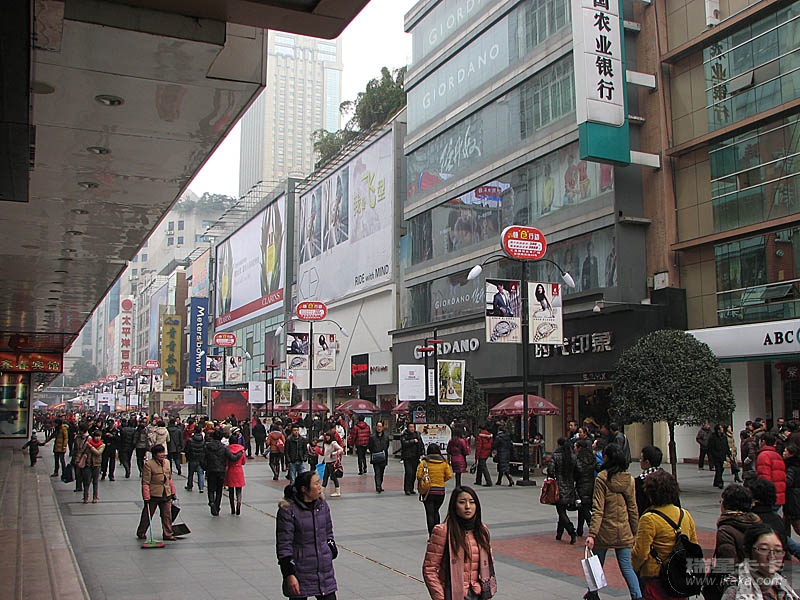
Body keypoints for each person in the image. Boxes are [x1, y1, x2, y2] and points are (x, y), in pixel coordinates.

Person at [585, 443, 642, 600]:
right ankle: (637, 596)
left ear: (607, 458)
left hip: (604, 530)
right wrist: (635, 531)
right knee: (627, 567)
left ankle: (593, 593)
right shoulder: (629, 479)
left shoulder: (602, 478)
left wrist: (592, 534)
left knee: (597, 564)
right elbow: (633, 508)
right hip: (624, 529)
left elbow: (598, 508)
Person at [632, 470, 699, 600]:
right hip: (679, 576)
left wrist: (637, 568)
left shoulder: (649, 518)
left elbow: (640, 553)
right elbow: (693, 546)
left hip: (656, 575)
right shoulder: (685, 515)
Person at [422, 487, 495, 600]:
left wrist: (487, 591)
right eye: (462, 502)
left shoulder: (482, 530)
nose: (468, 506)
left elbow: (489, 563)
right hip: (452, 594)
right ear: (454, 506)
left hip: (478, 593)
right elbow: (429, 569)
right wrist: (440, 597)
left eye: (472, 502)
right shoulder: (443, 531)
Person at [276, 470, 338, 600]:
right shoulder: (288, 510)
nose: (320, 486)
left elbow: (328, 531)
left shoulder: (322, 506)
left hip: (324, 569)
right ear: (304, 489)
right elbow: (284, 545)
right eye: (316, 483)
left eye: (319, 482)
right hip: (300, 570)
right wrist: (289, 574)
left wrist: (330, 548)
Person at [720, 524, 800, 600]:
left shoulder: (782, 586)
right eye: (764, 549)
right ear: (747, 551)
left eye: (778, 550)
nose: (771, 556)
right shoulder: (735, 590)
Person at [136, 444, 177, 541]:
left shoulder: (167, 462)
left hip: (166, 493)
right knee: (147, 515)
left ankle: (168, 533)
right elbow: (145, 482)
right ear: (154, 454)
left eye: (163, 452)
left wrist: (173, 491)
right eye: (160, 453)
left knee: (167, 515)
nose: (162, 454)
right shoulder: (149, 464)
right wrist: (146, 497)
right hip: (153, 494)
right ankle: (141, 532)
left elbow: (169, 478)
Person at [418, 443, 453, 536]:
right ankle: (437, 533)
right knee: (436, 511)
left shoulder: (424, 462)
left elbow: (418, 475)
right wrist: (441, 480)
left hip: (428, 491)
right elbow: (449, 475)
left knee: (430, 513)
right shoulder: (444, 462)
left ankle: (431, 534)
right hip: (440, 491)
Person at [548, 437, 578, 544]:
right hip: (570, 486)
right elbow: (577, 470)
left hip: (559, 487)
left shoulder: (556, 456)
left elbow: (550, 470)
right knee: (562, 510)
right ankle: (559, 533)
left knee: (561, 511)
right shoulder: (573, 457)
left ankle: (571, 530)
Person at [205, 429, 241, 516]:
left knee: (211, 488)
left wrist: (206, 467)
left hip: (211, 469)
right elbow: (232, 458)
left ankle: (211, 502)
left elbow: (202, 458)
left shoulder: (207, 447)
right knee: (219, 489)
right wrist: (239, 454)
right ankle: (217, 506)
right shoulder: (224, 447)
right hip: (221, 470)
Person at [756, 432, 786, 510]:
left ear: (763, 442)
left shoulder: (763, 456)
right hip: (779, 495)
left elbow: (764, 478)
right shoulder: (778, 455)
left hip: (769, 497)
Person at [635, 445, 665, 516]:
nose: (640, 461)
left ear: (647, 462)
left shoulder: (639, 482)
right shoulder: (667, 479)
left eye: (641, 458)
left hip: (647, 518)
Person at [574, 439, 596, 538]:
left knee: (583, 508)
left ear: (579, 448)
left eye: (575, 446)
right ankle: (579, 529)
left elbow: (576, 473)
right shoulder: (591, 458)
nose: (574, 448)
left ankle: (592, 527)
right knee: (583, 507)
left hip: (581, 486)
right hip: (591, 485)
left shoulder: (578, 460)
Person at [400, 423, 425, 495]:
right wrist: (412, 441)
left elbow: (421, 444)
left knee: (414, 473)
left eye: (413, 427)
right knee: (409, 472)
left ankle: (411, 488)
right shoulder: (404, 434)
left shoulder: (417, 434)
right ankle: (407, 489)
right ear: (407, 428)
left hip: (415, 456)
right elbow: (404, 443)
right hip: (407, 457)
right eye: (410, 427)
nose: (412, 428)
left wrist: (422, 453)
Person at [81, 430, 104, 504]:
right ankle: (85, 497)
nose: (97, 438)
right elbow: (82, 451)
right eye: (96, 436)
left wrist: (90, 447)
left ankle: (95, 497)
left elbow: (98, 453)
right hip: (88, 464)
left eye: (99, 436)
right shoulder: (87, 443)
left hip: (97, 465)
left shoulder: (102, 445)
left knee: (95, 482)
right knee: (86, 482)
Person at [225, 433, 246, 515]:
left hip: (230, 470)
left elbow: (226, 462)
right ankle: (239, 504)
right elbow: (243, 462)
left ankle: (232, 508)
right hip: (239, 470)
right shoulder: (241, 450)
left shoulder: (227, 450)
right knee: (239, 490)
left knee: (231, 491)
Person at [368, 421, 390, 493]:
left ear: (383, 428)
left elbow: (387, 445)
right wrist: (374, 451)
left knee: (381, 472)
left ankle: (380, 484)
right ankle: (378, 486)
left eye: (380, 427)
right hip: (376, 457)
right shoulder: (372, 437)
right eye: (378, 426)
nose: (379, 428)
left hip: (383, 457)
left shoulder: (386, 437)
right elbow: (370, 446)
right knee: (377, 472)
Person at [321, 431, 344, 497]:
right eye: (326, 436)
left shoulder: (333, 443)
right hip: (327, 462)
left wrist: (334, 453)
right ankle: (322, 491)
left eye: (328, 436)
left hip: (332, 463)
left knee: (333, 477)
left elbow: (341, 449)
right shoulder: (325, 444)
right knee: (325, 477)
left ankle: (337, 491)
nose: (327, 437)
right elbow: (326, 453)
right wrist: (324, 460)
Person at [708, 424, 731, 489]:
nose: (722, 429)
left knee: (721, 469)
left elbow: (726, 446)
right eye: (721, 428)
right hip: (716, 457)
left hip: (722, 456)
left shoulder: (724, 437)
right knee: (718, 469)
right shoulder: (713, 437)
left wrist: (729, 454)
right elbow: (711, 448)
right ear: (718, 430)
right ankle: (720, 482)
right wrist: (714, 455)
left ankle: (716, 481)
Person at [184, 427, 205, 493]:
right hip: (200, 459)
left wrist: (187, 457)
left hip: (192, 458)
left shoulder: (190, 440)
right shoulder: (203, 441)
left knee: (191, 473)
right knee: (200, 474)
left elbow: (187, 450)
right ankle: (201, 487)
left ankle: (190, 486)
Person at [71, 423, 90, 494]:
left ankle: (85, 486)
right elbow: (74, 447)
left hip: (85, 457)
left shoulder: (89, 438)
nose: (79, 431)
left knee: (84, 473)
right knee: (77, 473)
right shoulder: (77, 437)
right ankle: (78, 486)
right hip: (77, 457)